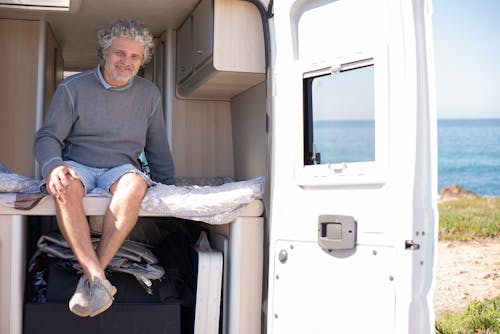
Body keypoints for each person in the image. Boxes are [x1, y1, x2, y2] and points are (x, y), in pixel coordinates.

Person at [33, 18, 175, 317]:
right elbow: (48, 137)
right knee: (65, 185)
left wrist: (170, 190)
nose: (126, 62)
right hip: (78, 163)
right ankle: (98, 277)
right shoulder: (72, 88)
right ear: (104, 53)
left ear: (142, 60)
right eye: (119, 53)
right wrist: (53, 167)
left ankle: (92, 279)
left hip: (120, 167)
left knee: (135, 184)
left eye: (134, 56)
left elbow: (157, 146)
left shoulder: (150, 94)